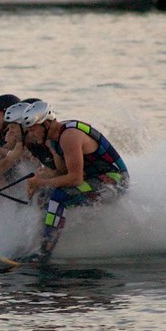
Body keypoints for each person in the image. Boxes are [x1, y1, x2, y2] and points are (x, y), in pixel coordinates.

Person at [19, 101, 130, 261]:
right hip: (92, 178)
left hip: (115, 182)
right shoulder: (53, 140)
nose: (31, 134)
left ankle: (45, 252)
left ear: (47, 124)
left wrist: (41, 183)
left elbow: (75, 178)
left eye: (33, 128)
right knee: (43, 195)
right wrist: (39, 179)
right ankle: (36, 244)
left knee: (59, 197)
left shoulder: (69, 136)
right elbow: (61, 172)